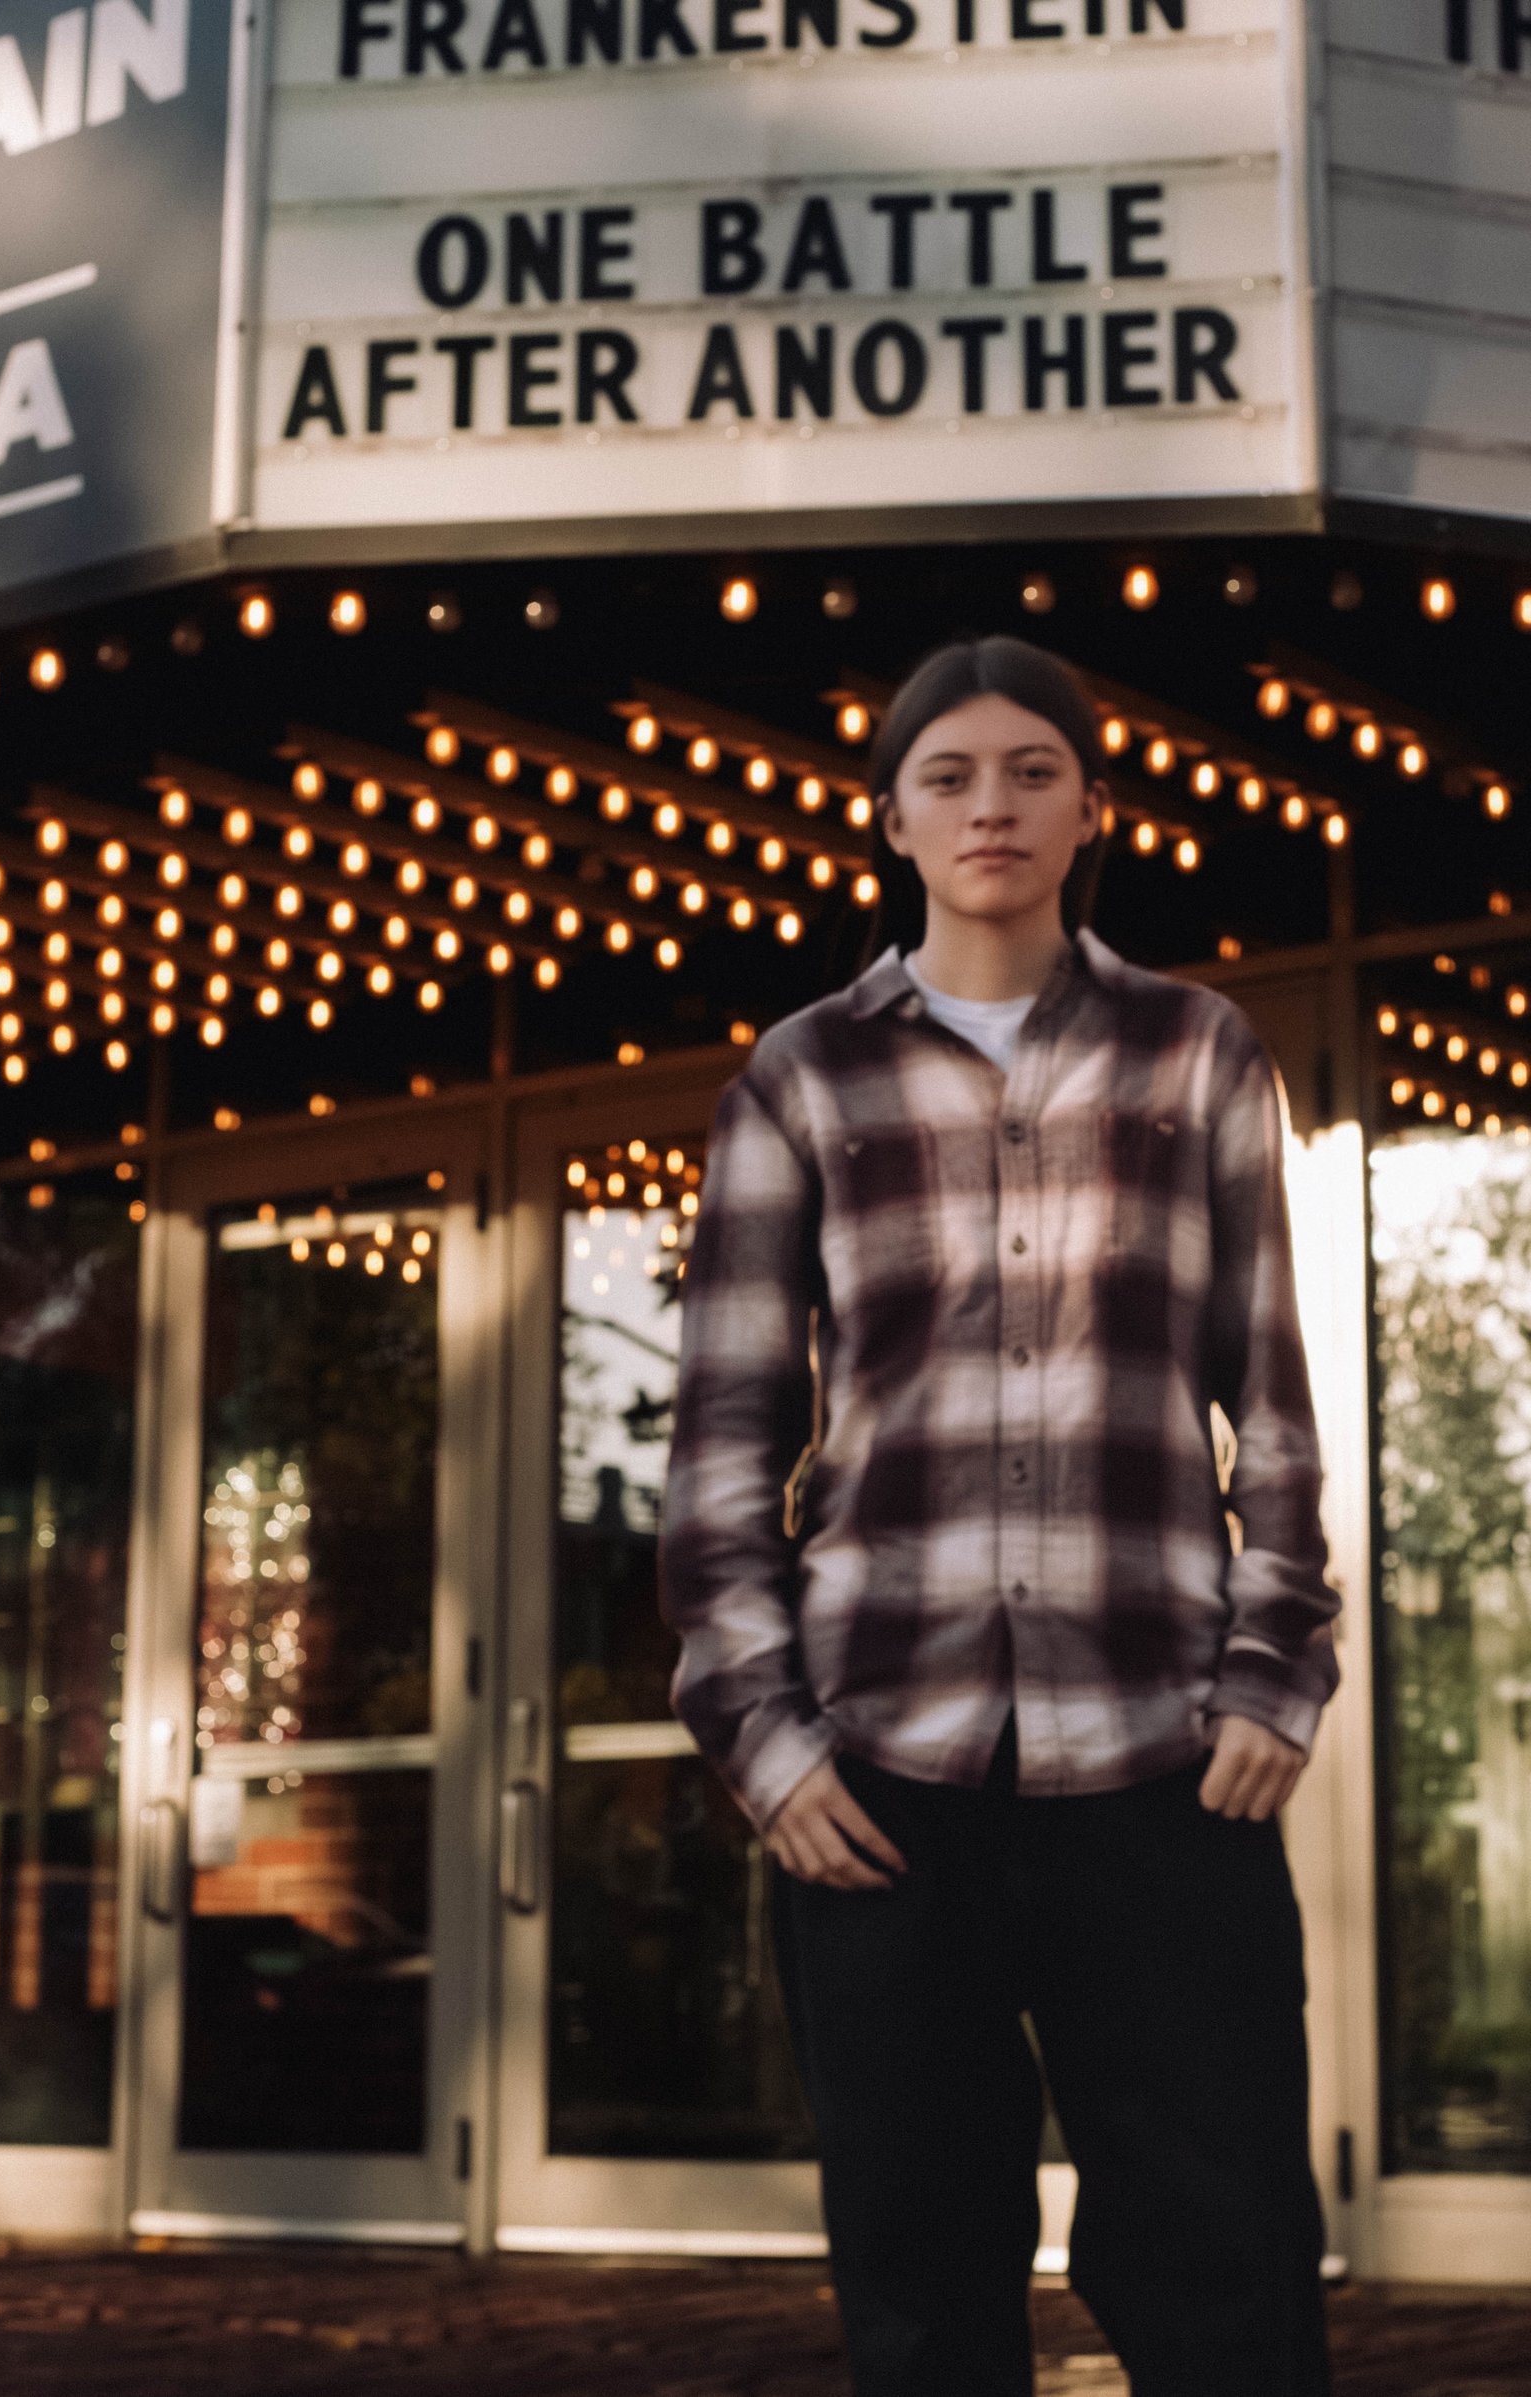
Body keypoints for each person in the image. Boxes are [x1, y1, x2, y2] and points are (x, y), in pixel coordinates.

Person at [659, 635, 1339, 2397]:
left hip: (1165, 1765)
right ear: (889, 816)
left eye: (1034, 769)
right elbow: (726, 1439)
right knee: (922, 2291)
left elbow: (1270, 1393)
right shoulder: (800, 1081)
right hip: (883, 1779)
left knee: (1232, 2278)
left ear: (1092, 808)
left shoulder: (1199, 1056)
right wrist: (765, 1740)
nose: (993, 805)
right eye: (950, 773)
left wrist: (1276, 1670)